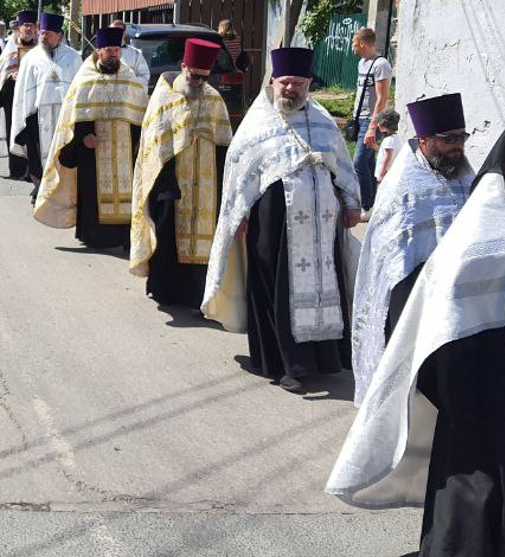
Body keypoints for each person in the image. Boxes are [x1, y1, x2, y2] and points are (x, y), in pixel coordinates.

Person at [327, 108, 505, 557]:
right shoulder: (482, 234)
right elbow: (443, 316)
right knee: (480, 488)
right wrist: (468, 392)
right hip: (490, 392)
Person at [202, 47, 362, 394]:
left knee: (327, 289)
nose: (291, 90)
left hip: (322, 229)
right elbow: (239, 173)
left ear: (308, 84)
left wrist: (351, 202)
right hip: (274, 224)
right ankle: (284, 364)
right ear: (273, 82)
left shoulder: (321, 120)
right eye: (285, 82)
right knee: (278, 291)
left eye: (299, 84)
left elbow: (343, 168)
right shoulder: (258, 123)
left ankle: (324, 359)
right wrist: (238, 215)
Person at [349, 92, 473, 406]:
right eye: (449, 139)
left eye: (462, 137)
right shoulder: (401, 185)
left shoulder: (468, 177)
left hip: (460, 295)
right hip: (412, 295)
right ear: (424, 139)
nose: (458, 146)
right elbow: (390, 257)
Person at [130, 38, 232, 308]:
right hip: (170, 183)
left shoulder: (214, 99)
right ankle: (165, 290)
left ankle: (197, 294)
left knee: (205, 239)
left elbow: (224, 143)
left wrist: (223, 182)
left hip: (207, 185)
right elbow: (153, 145)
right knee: (168, 237)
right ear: (184, 66)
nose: (198, 81)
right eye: (194, 75)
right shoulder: (165, 96)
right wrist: (165, 183)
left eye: (203, 77)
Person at [34, 27, 147, 249]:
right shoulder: (85, 78)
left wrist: (137, 143)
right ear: (99, 50)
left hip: (124, 150)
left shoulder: (129, 78)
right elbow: (73, 117)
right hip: (92, 150)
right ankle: (94, 236)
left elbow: (139, 116)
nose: (114, 54)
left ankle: (124, 237)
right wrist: (83, 137)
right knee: (92, 193)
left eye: (117, 50)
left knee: (127, 192)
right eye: (109, 50)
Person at [10, 12, 83, 203]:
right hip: (37, 114)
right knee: (37, 154)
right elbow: (22, 92)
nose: (44, 37)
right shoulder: (31, 58)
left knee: (63, 153)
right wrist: (23, 119)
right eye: (42, 33)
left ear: (59, 35)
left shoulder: (74, 57)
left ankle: (61, 190)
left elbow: (80, 88)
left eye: (48, 34)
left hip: (64, 114)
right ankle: (40, 189)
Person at [0, 10, 39, 179]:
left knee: (32, 132)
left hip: (34, 96)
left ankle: (32, 170)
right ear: (19, 28)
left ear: (36, 28)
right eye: (25, 26)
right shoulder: (11, 49)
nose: (28, 29)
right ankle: (17, 169)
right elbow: (0, 73)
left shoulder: (40, 49)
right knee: (13, 129)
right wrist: (11, 76)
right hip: (12, 96)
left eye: (31, 26)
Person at [351, 26, 393, 216]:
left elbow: (382, 99)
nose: (352, 47)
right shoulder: (362, 63)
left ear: (362, 43)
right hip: (359, 118)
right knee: (367, 164)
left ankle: (366, 206)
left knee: (358, 163)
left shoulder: (381, 64)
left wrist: (372, 127)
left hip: (371, 119)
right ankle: (375, 203)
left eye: (354, 43)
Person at [110, 18, 150, 83]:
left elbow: (144, 77)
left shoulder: (136, 54)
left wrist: (129, 81)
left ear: (124, 33)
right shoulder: (100, 53)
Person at [373, 108, 401, 184]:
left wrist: (381, 174)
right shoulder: (396, 137)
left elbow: (387, 157)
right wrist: (375, 146)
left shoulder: (388, 140)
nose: (378, 125)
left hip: (386, 174)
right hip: (392, 173)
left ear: (384, 125)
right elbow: (386, 152)